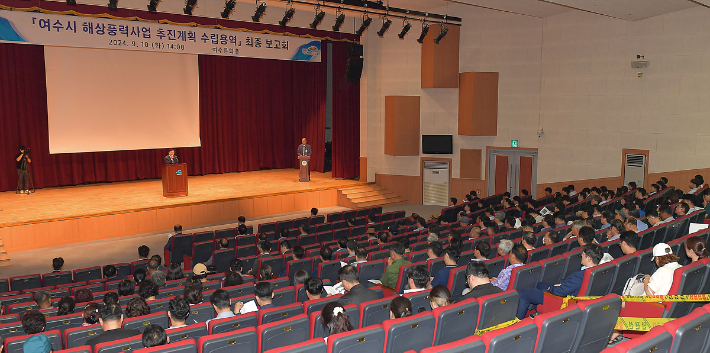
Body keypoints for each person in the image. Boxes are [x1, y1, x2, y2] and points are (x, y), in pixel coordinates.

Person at [516, 244, 603, 319]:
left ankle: (518, 321)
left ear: (589, 258)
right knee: (540, 285)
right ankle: (540, 313)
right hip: (570, 292)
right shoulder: (597, 272)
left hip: (561, 300)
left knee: (524, 292)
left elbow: (559, 292)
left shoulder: (580, 276)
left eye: (583, 254)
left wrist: (551, 288)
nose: (581, 255)